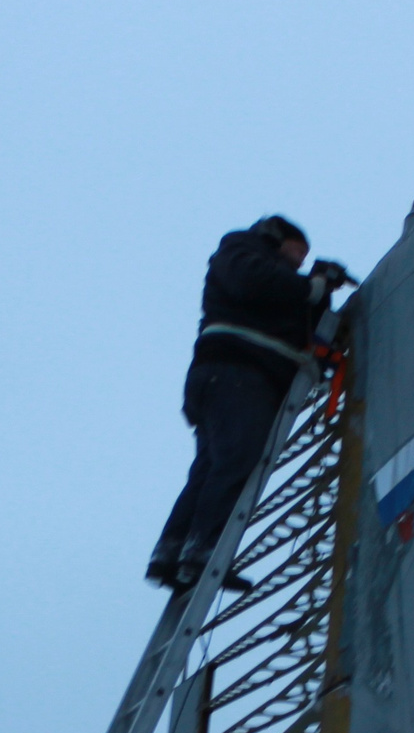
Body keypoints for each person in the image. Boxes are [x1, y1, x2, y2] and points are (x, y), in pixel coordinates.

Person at [147, 216, 354, 590]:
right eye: (297, 252)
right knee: (237, 459)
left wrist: (322, 289)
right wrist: (311, 285)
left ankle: (172, 552)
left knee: (211, 468)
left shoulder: (276, 283)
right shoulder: (241, 250)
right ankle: (201, 552)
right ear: (277, 237)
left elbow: (299, 320)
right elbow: (258, 283)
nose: (299, 263)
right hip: (237, 373)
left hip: (232, 377)